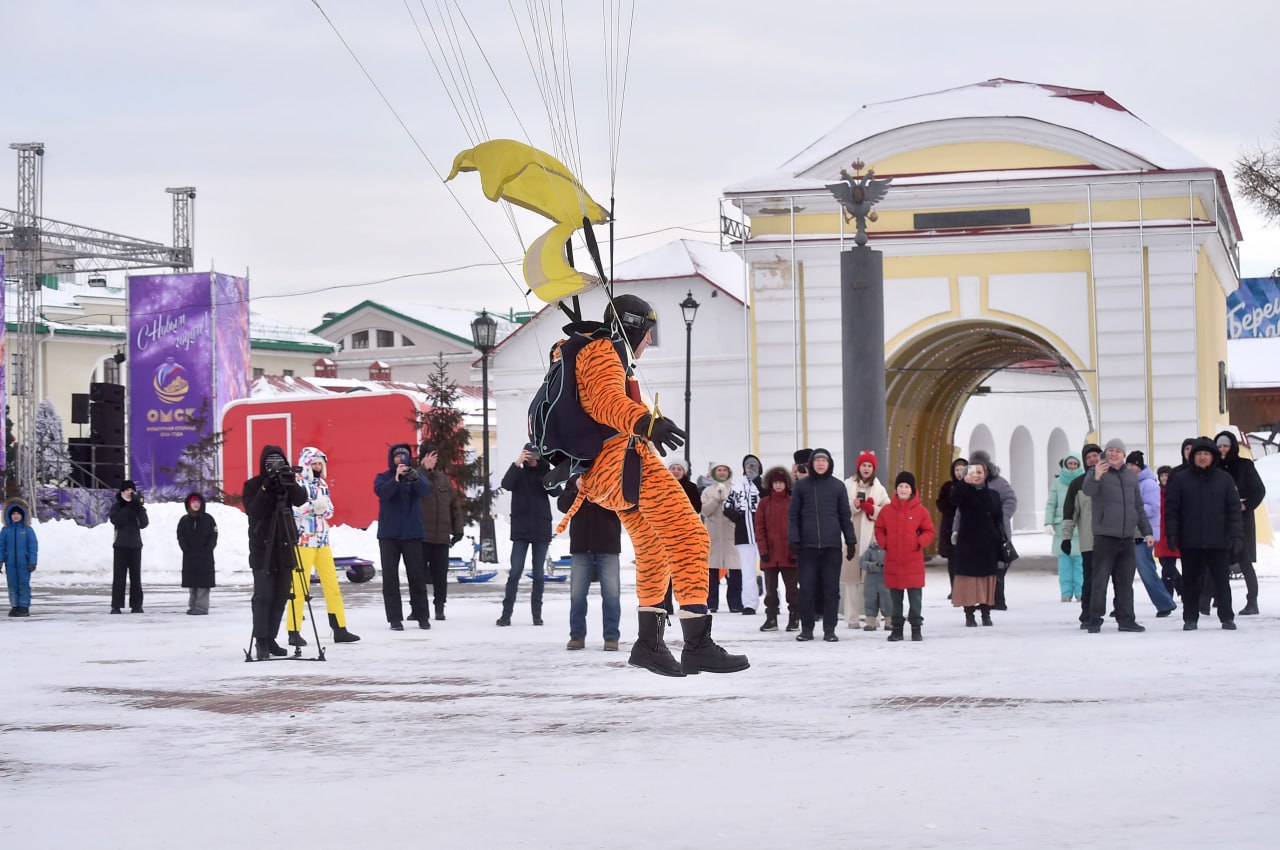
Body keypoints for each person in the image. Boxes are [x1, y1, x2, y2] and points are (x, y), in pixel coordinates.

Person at [562, 293, 746, 676]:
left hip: (604, 473)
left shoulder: (599, 352)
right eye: (647, 332)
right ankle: (698, 644)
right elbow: (604, 401)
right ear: (632, 327)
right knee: (691, 537)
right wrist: (646, 422)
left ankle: (649, 644)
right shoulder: (602, 350)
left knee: (653, 550)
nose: (649, 340)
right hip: (624, 462)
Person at [1166, 437, 1243, 631]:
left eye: (1206, 454)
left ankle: (1227, 617)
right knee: (1190, 582)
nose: (1202, 457)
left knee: (1222, 582)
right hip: (1190, 541)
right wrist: (1172, 534)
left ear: (1213, 457)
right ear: (1192, 457)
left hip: (1218, 541)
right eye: (1199, 453)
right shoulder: (1181, 479)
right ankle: (1190, 618)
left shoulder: (1224, 479)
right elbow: (1172, 510)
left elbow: (1234, 510)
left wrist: (1236, 535)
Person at [287, 446, 360, 644]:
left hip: (322, 540)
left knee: (332, 584)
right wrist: (312, 506)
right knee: (299, 587)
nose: (318, 467)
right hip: (303, 541)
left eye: (320, 464)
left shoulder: (322, 484)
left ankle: (339, 628)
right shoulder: (297, 483)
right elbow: (293, 510)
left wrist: (323, 509)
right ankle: (293, 630)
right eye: (315, 463)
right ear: (307, 465)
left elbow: (330, 510)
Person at [1081, 438, 1153, 634]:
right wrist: (1096, 475)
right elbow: (1088, 491)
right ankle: (1094, 619)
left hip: (1126, 537)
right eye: (1110, 450)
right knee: (1100, 581)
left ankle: (1126, 619)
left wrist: (1147, 531)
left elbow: (1138, 506)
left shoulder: (1130, 476)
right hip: (1105, 536)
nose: (1113, 454)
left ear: (1123, 455)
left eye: (1117, 451)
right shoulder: (1096, 471)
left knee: (1125, 582)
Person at [244, 445, 308, 660]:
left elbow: (300, 499)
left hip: (284, 547)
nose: (274, 467)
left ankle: (271, 638)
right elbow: (253, 511)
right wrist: (265, 487)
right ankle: (261, 641)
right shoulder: (253, 485)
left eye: (279, 462)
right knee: (264, 596)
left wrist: (290, 481)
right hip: (263, 549)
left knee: (280, 596)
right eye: (270, 462)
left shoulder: (286, 482)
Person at [789, 448, 857, 642]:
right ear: (812, 463)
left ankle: (829, 630)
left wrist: (850, 540)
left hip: (831, 547)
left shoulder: (837, 486)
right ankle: (806, 629)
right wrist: (794, 538)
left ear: (829, 464)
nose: (820, 463)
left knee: (831, 590)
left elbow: (845, 516)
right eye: (817, 460)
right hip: (807, 547)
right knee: (806, 589)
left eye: (824, 461)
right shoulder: (801, 486)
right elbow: (793, 515)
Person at [557, 474, 621, 651]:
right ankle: (576, 636)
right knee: (577, 595)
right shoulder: (575, 479)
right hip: (581, 546)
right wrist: (576, 489)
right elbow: (562, 506)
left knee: (612, 595)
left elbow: (622, 505)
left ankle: (611, 637)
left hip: (608, 545)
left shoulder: (612, 476)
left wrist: (604, 488)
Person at [374, 443, 432, 632]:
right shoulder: (383, 477)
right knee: (390, 578)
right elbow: (383, 493)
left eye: (404, 457)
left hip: (412, 534)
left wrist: (415, 479)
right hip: (388, 536)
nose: (401, 460)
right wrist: (396, 480)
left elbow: (426, 490)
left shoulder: (414, 476)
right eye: (397, 457)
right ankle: (395, 619)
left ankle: (422, 616)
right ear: (392, 460)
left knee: (416, 576)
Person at [498, 444, 555, 627]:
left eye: (535, 455)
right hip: (521, 531)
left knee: (538, 575)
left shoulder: (545, 473)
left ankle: (537, 615)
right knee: (515, 572)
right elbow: (506, 484)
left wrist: (547, 471)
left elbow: (556, 492)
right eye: (528, 455)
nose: (532, 459)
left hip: (541, 529)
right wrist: (517, 463)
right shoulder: (519, 473)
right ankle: (506, 615)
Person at [875, 471, 936, 642]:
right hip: (893, 562)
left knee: (915, 598)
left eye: (907, 486)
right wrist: (885, 543)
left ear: (912, 490)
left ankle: (916, 627)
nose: (903, 489)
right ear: (896, 489)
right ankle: (897, 629)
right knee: (895, 599)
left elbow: (929, 531)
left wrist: (918, 542)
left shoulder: (920, 511)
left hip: (913, 563)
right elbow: (879, 529)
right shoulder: (887, 511)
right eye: (900, 486)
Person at [1215, 430, 1266, 615]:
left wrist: (1246, 505)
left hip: (1242, 519)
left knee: (1244, 561)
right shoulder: (1214, 467)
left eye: (1226, 446)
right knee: (1218, 560)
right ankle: (1216, 598)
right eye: (1219, 446)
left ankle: (1252, 601)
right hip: (1219, 519)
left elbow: (1259, 490)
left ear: (1232, 447)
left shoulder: (1245, 466)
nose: (1222, 450)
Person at [949, 459, 1002, 626]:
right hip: (968, 544)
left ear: (985, 474)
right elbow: (954, 499)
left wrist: (999, 538)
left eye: (980, 472)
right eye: (973, 472)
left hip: (988, 544)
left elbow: (998, 519)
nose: (976, 475)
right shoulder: (964, 492)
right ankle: (969, 615)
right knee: (969, 580)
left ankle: (986, 613)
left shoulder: (993, 495)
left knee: (986, 579)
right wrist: (964, 483)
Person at [1127, 450, 1177, 618]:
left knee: (1146, 570)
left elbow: (1153, 508)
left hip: (1144, 533)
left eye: (1132, 465)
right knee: (1125, 572)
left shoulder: (1148, 484)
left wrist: (1131, 510)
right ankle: (1121, 605)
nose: (1129, 467)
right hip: (1131, 532)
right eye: (1128, 464)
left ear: (1139, 466)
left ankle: (1165, 603)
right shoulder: (1130, 481)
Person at [418, 440, 464, 622]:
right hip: (421, 537)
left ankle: (439, 607)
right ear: (423, 457)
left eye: (436, 456)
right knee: (418, 576)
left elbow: (454, 506)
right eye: (431, 455)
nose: (434, 459)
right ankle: (418, 609)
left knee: (440, 576)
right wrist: (424, 470)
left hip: (442, 537)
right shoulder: (415, 476)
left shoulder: (443, 479)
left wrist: (458, 529)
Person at [966, 449, 1017, 610]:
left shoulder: (999, 483)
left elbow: (1011, 500)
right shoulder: (968, 484)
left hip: (997, 532)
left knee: (998, 565)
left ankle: (998, 600)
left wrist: (1001, 517)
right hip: (976, 533)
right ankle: (985, 600)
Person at [842, 450, 888, 628]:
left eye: (869, 465)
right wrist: (853, 506)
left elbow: (887, 512)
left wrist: (871, 508)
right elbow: (840, 509)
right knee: (851, 580)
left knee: (873, 580)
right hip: (851, 538)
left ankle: (874, 617)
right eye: (864, 465)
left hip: (871, 539)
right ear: (858, 467)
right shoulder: (847, 485)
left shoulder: (879, 488)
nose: (866, 468)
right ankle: (852, 618)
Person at [1061, 442, 1103, 629]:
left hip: (1112, 539)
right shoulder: (1077, 484)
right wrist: (1066, 538)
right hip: (1089, 541)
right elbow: (1070, 512)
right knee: (1090, 579)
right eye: (1089, 457)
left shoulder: (1111, 479)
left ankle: (1121, 612)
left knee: (1117, 579)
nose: (1093, 459)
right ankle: (1087, 614)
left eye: (1096, 455)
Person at [753, 465, 798, 632]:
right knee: (770, 590)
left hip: (789, 554)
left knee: (792, 590)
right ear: (770, 484)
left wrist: (795, 550)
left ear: (786, 484)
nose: (778, 485)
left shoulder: (793, 502)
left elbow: (798, 527)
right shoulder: (764, 503)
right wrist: (763, 551)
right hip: (770, 554)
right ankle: (771, 618)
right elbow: (759, 529)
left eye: (781, 482)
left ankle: (794, 617)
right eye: (775, 482)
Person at [723, 454, 765, 615]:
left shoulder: (764, 484)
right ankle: (749, 604)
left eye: (754, 466)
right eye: (748, 466)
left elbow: (769, 500)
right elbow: (727, 506)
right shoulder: (737, 487)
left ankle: (773, 602)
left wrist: (758, 482)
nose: (751, 469)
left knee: (768, 570)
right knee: (747, 571)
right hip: (743, 535)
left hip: (764, 535)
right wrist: (738, 517)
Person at [700, 462, 738, 613]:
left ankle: (735, 603)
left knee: (735, 569)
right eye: (719, 470)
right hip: (713, 535)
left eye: (724, 470)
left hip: (731, 534)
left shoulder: (735, 489)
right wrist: (716, 498)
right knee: (712, 570)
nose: (722, 472)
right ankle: (711, 603)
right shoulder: (708, 491)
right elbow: (705, 511)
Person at [109, 480, 149, 614]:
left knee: (136, 577)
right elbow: (117, 520)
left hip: (135, 546)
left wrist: (138, 508)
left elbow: (144, 524)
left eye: (132, 490)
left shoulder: (138, 506)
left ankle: (137, 605)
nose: (129, 492)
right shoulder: (117, 506)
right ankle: (116, 605)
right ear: (122, 492)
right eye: (127, 490)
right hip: (120, 545)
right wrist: (130, 507)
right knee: (119, 577)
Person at [176, 492, 217, 615]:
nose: (196, 505)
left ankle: (201, 608)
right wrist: (185, 548)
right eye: (193, 502)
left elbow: (214, 535)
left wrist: (208, 548)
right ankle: (193, 606)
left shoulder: (208, 519)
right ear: (189, 504)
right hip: (190, 557)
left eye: (198, 502)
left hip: (205, 557)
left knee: (203, 584)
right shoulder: (184, 520)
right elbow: (180, 535)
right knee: (192, 583)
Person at [935, 457, 967, 597]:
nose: (959, 472)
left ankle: (966, 588)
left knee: (966, 560)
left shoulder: (972, 486)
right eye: (956, 470)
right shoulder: (948, 487)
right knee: (953, 560)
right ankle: (955, 588)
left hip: (967, 528)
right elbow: (940, 503)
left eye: (962, 469)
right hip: (950, 528)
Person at [1, 498, 37, 617]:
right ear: (9, 515)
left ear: (23, 515)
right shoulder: (5, 531)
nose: (16, 516)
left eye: (18, 513)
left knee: (23, 584)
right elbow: (1, 547)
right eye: (13, 514)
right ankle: (15, 606)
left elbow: (33, 547)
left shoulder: (28, 530)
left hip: (24, 564)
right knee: (12, 585)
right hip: (10, 564)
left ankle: (24, 607)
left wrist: (32, 562)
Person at [1153, 464, 1183, 600]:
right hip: (1159, 532)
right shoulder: (1156, 491)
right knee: (1164, 563)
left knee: (1168, 567)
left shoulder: (1175, 491)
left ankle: (1167, 596)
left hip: (1171, 532)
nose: (1164, 478)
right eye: (1162, 475)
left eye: (1167, 475)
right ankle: (1182, 589)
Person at [859, 540, 889, 631]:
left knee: (887, 601)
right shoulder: (870, 550)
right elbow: (862, 562)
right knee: (870, 601)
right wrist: (872, 565)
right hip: (871, 581)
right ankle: (870, 622)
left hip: (886, 580)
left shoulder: (890, 549)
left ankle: (889, 621)